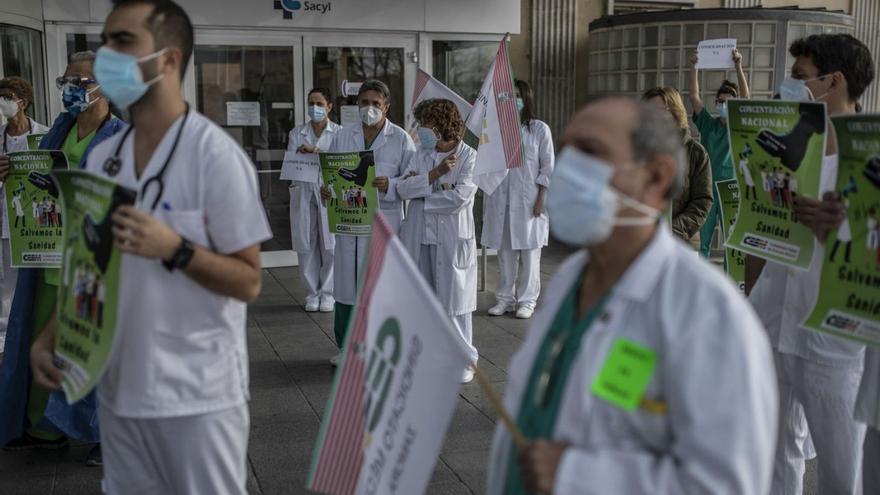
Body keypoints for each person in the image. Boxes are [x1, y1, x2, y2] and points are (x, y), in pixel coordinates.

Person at [29, 1, 271, 492]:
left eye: (122, 42)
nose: (105, 57)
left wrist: (175, 249)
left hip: (197, 397)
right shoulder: (104, 158)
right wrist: (51, 336)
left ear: (168, 59)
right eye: (106, 41)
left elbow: (249, 281)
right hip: (120, 390)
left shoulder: (215, 157)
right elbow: (87, 262)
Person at [486, 97, 777, 495]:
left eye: (590, 153)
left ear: (656, 176)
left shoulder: (709, 314)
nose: (568, 170)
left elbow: (726, 484)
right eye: (567, 151)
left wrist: (576, 476)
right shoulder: (572, 278)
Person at [745, 33, 875, 495]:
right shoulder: (789, 142)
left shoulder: (873, 153)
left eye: (799, 78)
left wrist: (845, 226)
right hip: (774, 314)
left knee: (844, 469)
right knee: (775, 450)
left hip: (834, 337)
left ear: (833, 81)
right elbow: (759, 227)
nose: (789, 87)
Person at [0, 51, 124, 466]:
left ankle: (109, 436)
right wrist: (12, 169)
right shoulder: (57, 130)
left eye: (82, 82)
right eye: (66, 81)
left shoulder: (123, 138)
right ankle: (43, 427)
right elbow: (37, 177)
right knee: (39, 344)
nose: (72, 89)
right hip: (49, 260)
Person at [322, 79, 415, 366]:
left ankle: (382, 348)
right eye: (364, 103)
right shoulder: (342, 136)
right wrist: (327, 190)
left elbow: (412, 181)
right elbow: (331, 172)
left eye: (376, 104)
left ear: (387, 107)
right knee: (347, 288)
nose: (369, 108)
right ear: (356, 105)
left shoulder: (401, 139)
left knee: (382, 288)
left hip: (384, 222)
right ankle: (347, 348)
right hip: (350, 223)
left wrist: (392, 184)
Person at [397, 98, 479, 383]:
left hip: (452, 237)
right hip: (421, 236)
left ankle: (466, 360)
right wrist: (433, 177)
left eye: (427, 125)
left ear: (443, 126)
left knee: (455, 302)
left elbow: (459, 198)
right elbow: (402, 188)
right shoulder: (421, 153)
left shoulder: (469, 156)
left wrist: (422, 189)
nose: (422, 131)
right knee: (426, 301)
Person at [483, 79, 554, 320]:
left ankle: (527, 301)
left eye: (517, 95)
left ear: (526, 98)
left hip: (529, 202)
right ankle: (504, 299)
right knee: (505, 255)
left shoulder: (538, 129)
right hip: (500, 201)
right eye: (508, 96)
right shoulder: (494, 130)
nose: (513, 100)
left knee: (530, 255)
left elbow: (548, 167)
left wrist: (541, 198)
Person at [0, 77, 50, 350]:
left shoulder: (45, 135)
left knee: (33, 283)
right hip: (5, 223)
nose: (2, 102)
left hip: (35, 224)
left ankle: (34, 335)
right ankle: (6, 344)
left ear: (23, 102)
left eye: (7, 96)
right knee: (5, 287)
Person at [689, 48, 751, 257]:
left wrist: (738, 66)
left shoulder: (738, 125)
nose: (721, 104)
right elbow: (694, 96)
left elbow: (746, 97)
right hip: (706, 188)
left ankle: (732, 283)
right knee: (703, 241)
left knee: (731, 241)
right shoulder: (708, 124)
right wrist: (693, 67)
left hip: (730, 188)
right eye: (719, 101)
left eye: (727, 101)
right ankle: (700, 284)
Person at [288, 88, 340, 313]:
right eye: (311, 103)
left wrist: (315, 150)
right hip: (304, 191)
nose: (314, 108)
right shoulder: (296, 133)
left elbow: (339, 162)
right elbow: (293, 161)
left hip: (329, 192)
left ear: (329, 106)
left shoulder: (339, 133)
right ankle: (312, 293)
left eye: (319, 103)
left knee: (331, 246)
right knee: (306, 243)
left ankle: (328, 293)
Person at [642, 86, 712, 243]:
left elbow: (702, 201)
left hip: (681, 241)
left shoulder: (696, 153)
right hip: (640, 240)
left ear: (674, 112)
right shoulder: (636, 150)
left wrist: (672, 229)